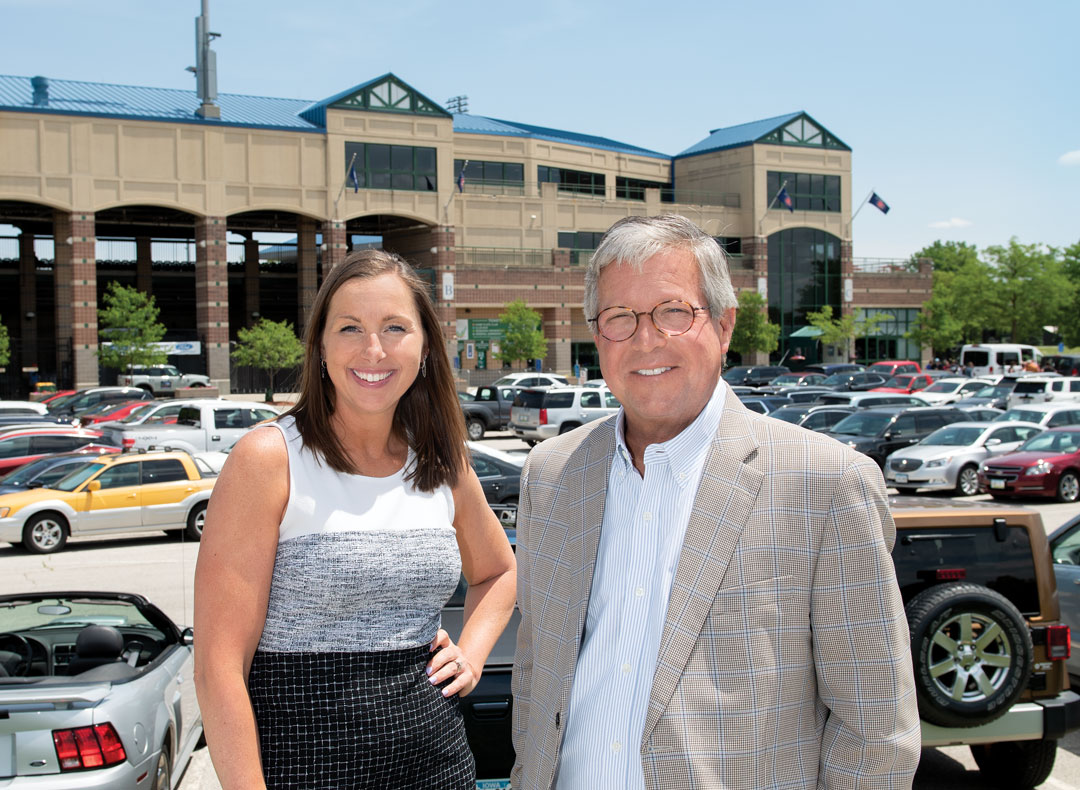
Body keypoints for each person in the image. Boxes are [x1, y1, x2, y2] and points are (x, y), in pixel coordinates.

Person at [511, 215, 921, 789]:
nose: (645, 338)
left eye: (674, 312)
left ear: (725, 326)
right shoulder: (551, 474)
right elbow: (535, 674)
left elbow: (875, 724)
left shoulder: (829, 484)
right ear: (597, 335)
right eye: (619, 317)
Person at [194, 250, 516, 789]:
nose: (374, 349)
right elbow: (218, 669)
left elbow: (500, 573)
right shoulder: (269, 460)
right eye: (350, 328)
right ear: (320, 345)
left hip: (437, 767)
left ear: (425, 347)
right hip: (301, 772)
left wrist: (472, 656)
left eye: (395, 327)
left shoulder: (442, 460)